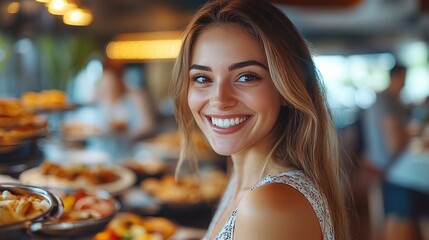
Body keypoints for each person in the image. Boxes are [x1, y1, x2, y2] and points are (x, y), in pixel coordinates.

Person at [170, 0, 351, 239]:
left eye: (246, 77)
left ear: (287, 88)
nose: (220, 99)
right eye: (203, 78)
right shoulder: (243, 178)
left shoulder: (268, 206)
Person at [362, 64, 423, 239]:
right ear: (396, 77)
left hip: (379, 164)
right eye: (404, 78)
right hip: (388, 168)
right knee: (413, 194)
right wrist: (411, 132)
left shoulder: (382, 99)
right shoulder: (387, 101)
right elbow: (393, 143)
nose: (405, 83)